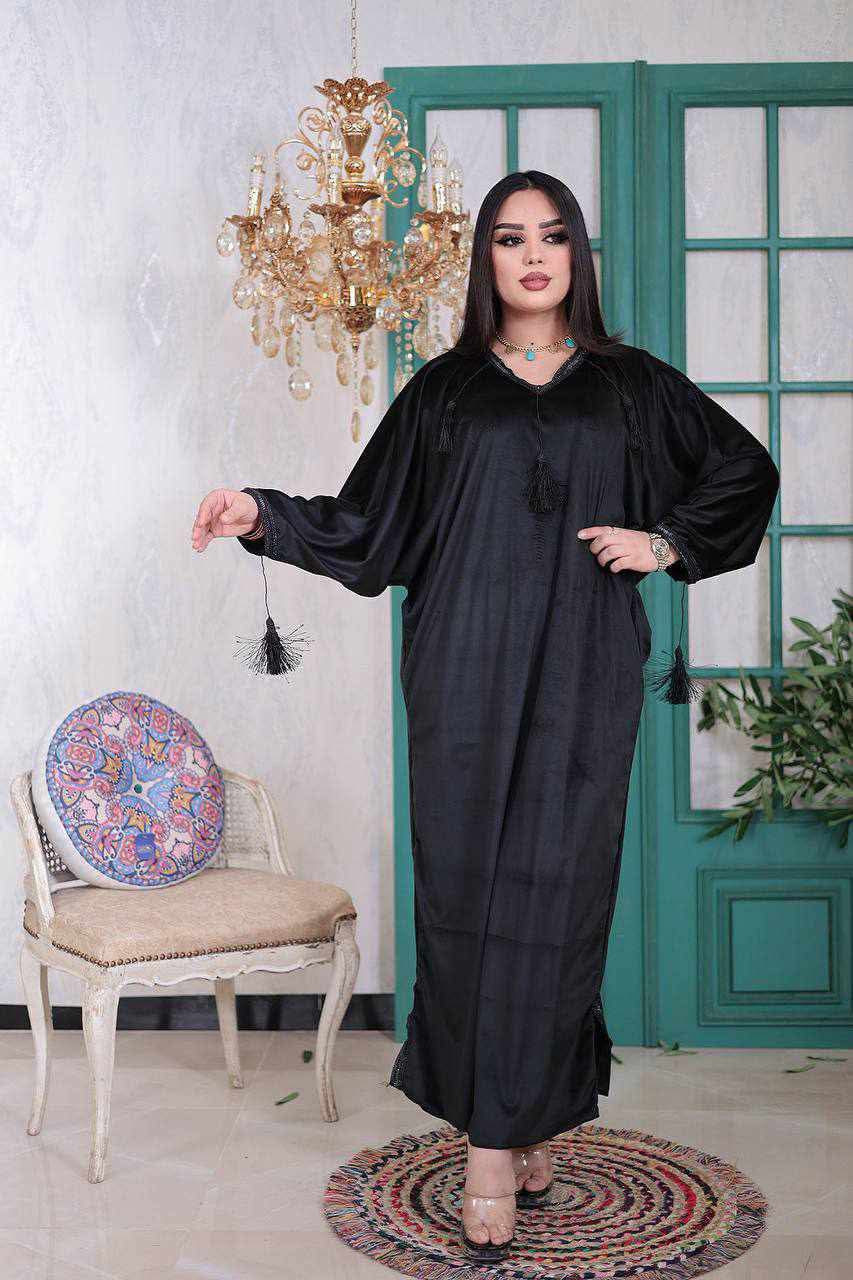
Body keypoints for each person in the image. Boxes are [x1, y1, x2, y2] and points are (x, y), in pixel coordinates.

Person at [191, 170, 779, 1263]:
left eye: (553, 235)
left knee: (559, 897)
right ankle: (496, 1137)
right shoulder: (445, 391)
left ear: (577, 254)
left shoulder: (633, 385)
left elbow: (743, 471)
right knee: (468, 892)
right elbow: (369, 526)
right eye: (510, 238)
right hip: (460, 672)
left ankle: (513, 1128)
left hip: (584, 672)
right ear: (485, 260)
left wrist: (663, 542)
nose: (534, 255)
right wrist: (259, 513)